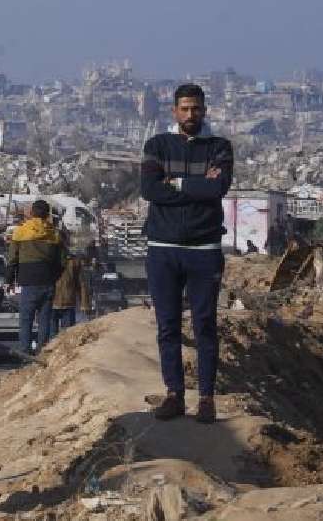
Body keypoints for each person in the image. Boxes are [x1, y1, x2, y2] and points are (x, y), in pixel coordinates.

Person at [141, 83, 233, 424]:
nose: (190, 114)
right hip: (163, 249)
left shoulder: (219, 147)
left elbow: (218, 187)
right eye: (184, 108)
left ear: (204, 110)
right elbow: (149, 190)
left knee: (204, 324)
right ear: (174, 111)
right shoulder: (157, 145)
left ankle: (206, 398)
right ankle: (174, 395)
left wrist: (175, 183)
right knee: (168, 326)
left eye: (195, 108)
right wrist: (197, 186)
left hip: (204, 248)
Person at [7, 200, 65, 354]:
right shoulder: (55, 234)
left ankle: (25, 352)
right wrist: (54, 277)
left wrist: (9, 280)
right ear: (47, 215)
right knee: (45, 319)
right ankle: (42, 351)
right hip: (48, 282)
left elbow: (12, 259)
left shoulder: (20, 232)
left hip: (28, 282)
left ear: (32, 213)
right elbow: (62, 262)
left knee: (26, 319)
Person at [50, 250, 90, 336]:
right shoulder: (73, 261)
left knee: (65, 335)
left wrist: (84, 304)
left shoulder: (74, 262)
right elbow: (82, 285)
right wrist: (84, 304)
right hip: (55, 302)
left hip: (62, 303)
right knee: (60, 335)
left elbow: (82, 284)